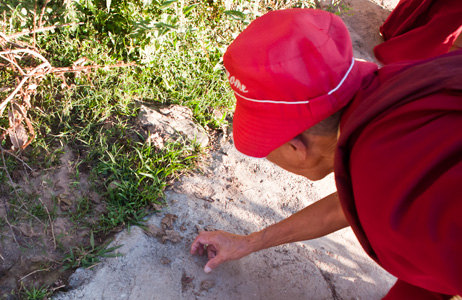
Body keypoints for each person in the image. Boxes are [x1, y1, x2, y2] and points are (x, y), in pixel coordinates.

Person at [190, 7, 462, 300]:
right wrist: (250, 242)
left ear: (297, 148)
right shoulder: (401, 83)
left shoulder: (395, 214)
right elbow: (353, 202)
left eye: (265, 145)